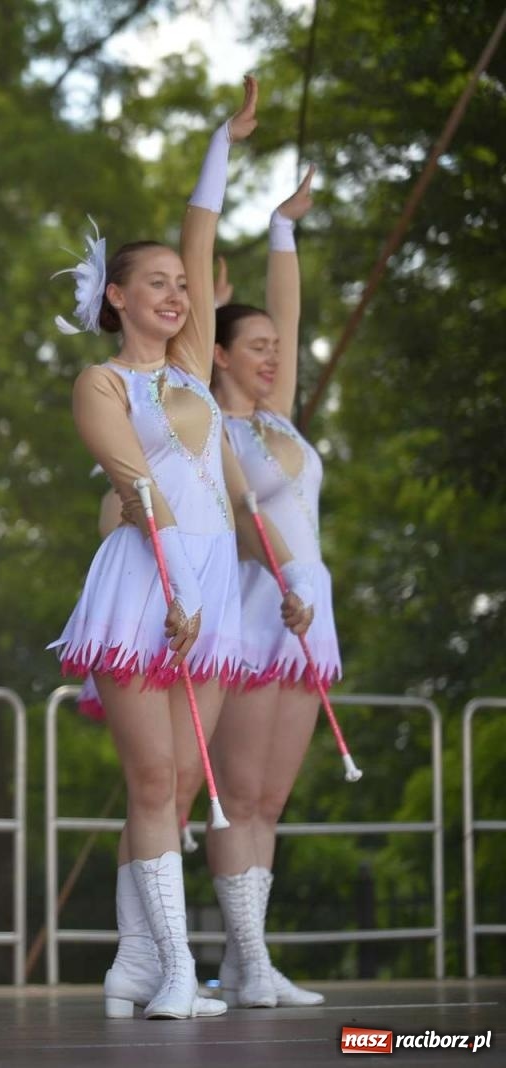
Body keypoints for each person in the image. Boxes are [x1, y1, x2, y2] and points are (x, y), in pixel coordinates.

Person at [48, 77, 262, 1021]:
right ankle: (172, 967)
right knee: (152, 777)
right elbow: (138, 492)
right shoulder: (102, 382)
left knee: (182, 782)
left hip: (212, 579)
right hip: (148, 578)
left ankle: (140, 960)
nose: (178, 294)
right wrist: (173, 584)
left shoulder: (192, 369)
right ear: (118, 297)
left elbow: (205, 230)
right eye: (160, 284)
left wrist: (222, 141)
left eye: (185, 285)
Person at [207, 167, 332, 1009]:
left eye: (275, 352)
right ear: (218, 354)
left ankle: (254, 956)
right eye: (254, 347)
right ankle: (245, 958)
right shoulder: (205, 423)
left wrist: (283, 228)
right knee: (239, 795)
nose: (272, 356)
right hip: (253, 606)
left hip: (309, 612)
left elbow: (287, 312)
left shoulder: (276, 416)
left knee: (273, 800)